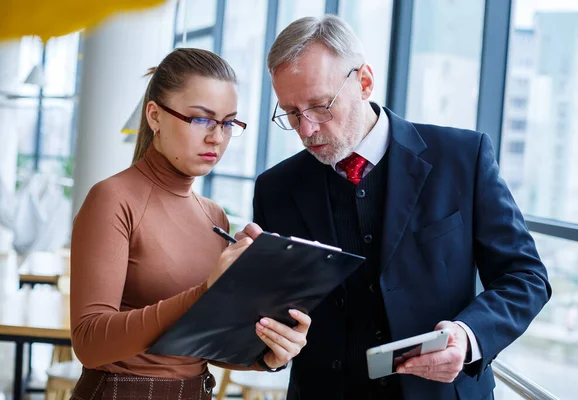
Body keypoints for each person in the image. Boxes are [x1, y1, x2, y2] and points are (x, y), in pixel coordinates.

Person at [237, 15, 551, 400]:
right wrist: (245, 293)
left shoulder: (462, 159)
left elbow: (526, 276)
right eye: (290, 112)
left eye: (320, 106)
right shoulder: (275, 188)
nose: (306, 130)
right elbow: (270, 327)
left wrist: (468, 337)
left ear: (364, 82)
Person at [69, 48, 311, 400]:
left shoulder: (215, 217)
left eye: (229, 123)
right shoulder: (112, 199)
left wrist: (269, 354)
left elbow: (202, 346)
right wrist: (204, 292)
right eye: (201, 119)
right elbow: (89, 343)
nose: (217, 137)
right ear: (154, 115)